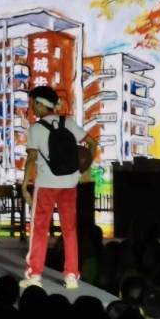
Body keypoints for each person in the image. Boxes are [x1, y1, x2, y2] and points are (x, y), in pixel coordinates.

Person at [20, 86, 97, 289]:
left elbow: (31, 158)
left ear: (40, 104)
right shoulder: (68, 123)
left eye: (33, 104)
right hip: (69, 184)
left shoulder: (35, 129)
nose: (32, 108)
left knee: (39, 229)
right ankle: (71, 275)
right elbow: (92, 143)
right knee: (69, 230)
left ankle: (34, 275)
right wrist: (83, 171)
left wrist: (24, 184)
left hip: (46, 184)